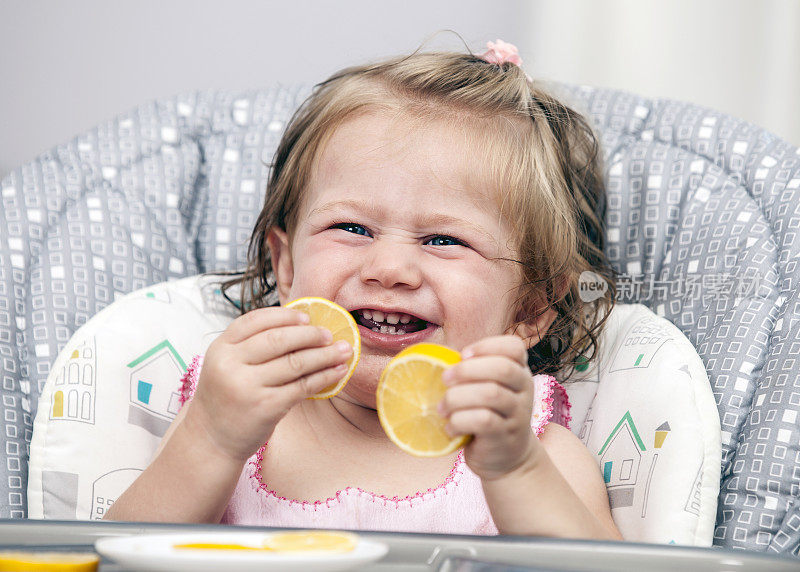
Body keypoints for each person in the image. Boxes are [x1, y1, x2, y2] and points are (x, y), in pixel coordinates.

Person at [105, 39, 621, 540]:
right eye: (352, 229)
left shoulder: (528, 446)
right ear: (284, 267)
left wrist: (516, 473)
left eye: (445, 240)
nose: (389, 268)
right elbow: (117, 556)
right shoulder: (231, 413)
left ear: (531, 307)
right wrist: (211, 439)